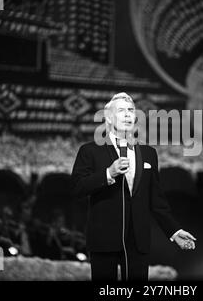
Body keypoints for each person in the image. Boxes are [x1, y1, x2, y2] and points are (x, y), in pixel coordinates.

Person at [71, 92, 196, 281]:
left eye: (131, 110)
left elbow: (156, 200)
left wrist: (174, 231)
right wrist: (108, 174)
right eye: (121, 110)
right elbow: (77, 187)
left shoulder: (148, 153)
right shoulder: (90, 151)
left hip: (138, 242)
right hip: (104, 239)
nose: (128, 114)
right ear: (109, 117)